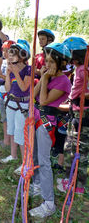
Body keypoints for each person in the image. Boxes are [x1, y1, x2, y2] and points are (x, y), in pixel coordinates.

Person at [29, 43, 71, 219]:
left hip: (48, 125)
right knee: (37, 156)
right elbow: (34, 95)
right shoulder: (49, 75)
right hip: (38, 120)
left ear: (61, 62)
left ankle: (49, 203)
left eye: (51, 62)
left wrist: (45, 79)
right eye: (46, 61)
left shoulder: (63, 81)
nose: (47, 65)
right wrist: (44, 76)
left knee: (45, 162)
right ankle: (38, 184)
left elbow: (44, 101)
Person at [57, 36, 89, 194]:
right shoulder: (81, 68)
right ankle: (74, 182)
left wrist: (77, 99)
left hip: (82, 112)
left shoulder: (84, 70)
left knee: (76, 148)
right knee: (75, 147)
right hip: (77, 108)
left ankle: (75, 185)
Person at [0, 39, 31, 176]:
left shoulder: (28, 70)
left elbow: (24, 87)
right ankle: (13, 155)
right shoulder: (10, 69)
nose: (10, 56)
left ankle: (25, 164)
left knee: (20, 133)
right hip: (10, 102)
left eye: (13, 53)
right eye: (9, 53)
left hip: (22, 104)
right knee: (11, 131)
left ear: (22, 56)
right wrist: (7, 74)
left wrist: (16, 72)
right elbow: (7, 88)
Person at [0, 40, 16, 147]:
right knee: (4, 117)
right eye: (3, 50)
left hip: (10, 92)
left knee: (11, 118)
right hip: (1, 90)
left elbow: (11, 79)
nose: (5, 53)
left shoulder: (15, 64)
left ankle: (13, 140)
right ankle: (6, 140)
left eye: (7, 50)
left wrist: (1, 75)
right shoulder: (3, 62)